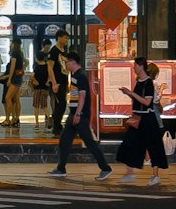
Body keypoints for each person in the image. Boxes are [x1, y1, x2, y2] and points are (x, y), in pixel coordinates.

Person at [52, 50, 113, 178]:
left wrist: (78, 114)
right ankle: (61, 168)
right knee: (64, 141)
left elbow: (82, 96)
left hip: (80, 115)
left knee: (89, 143)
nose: (66, 64)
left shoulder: (81, 76)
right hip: (74, 113)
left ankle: (105, 168)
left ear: (73, 62)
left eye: (67, 62)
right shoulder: (74, 75)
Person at [115, 56, 169, 185]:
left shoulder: (148, 82)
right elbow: (139, 99)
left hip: (148, 119)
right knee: (129, 143)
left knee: (153, 146)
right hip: (137, 118)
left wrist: (131, 93)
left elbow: (147, 102)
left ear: (140, 66)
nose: (134, 68)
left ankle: (155, 176)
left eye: (135, 66)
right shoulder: (139, 82)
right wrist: (128, 93)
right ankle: (130, 173)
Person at [4, 47, 26, 128]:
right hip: (19, 77)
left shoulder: (15, 54)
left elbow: (12, 66)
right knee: (16, 99)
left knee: (7, 98)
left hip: (15, 78)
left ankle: (8, 119)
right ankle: (16, 118)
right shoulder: (20, 53)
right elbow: (26, 62)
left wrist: (9, 79)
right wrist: (22, 70)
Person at [30, 41, 51, 125]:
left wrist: (35, 81)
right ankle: (49, 119)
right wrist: (47, 82)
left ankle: (37, 123)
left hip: (37, 89)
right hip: (45, 89)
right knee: (45, 106)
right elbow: (50, 76)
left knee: (36, 106)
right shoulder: (47, 66)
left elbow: (32, 76)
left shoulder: (36, 67)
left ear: (36, 58)